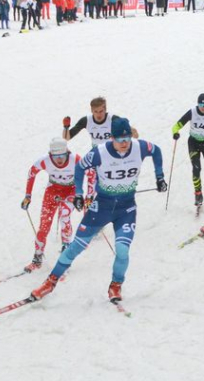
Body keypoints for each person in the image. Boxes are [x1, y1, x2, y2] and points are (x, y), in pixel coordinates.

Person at [29, 118, 166, 304]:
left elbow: (156, 151)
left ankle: (116, 285)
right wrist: (78, 192)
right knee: (75, 247)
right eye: (120, 139)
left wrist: (160, 177)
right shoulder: (99, 153)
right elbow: (79, 168)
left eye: (127, 138)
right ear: (111, 138)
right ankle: (50, 282)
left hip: (126, 209)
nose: (124, 143)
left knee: (123, 251)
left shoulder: (139, 147)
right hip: (101, 207)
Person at [21, 138, 82, 270]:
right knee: (44, 227)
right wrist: (28, 196)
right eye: (55, 156)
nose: (59, 159)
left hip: (71, 191)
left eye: (62, 155)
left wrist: (83, 196)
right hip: (52, 192)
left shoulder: (75, 159)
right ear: (50, 155)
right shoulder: (45, 160)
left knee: (65, 216)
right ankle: (37, 259)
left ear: (67, 152)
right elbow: (32, 173)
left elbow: (91, 173)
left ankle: (65, 256)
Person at [65, 96, 136, 147]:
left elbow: (134, 134)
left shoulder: (113, 119)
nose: (99, 114)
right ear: (91, 111)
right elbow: (67, 138)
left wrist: (131, 130)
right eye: (96, 111)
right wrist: (66, 127)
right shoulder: (86, 121)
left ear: (105, 109)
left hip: (111, 149)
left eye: (101, 111)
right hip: (96, 149)